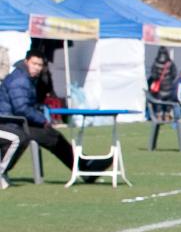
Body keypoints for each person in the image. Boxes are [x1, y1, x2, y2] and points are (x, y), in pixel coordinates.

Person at [0, 50, 108, 184]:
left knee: (53, 136)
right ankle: (85, 167)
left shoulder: (25, 77)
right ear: (26, 62)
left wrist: (40, 114)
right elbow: (22, 109)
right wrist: (42, 120)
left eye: (40, 65)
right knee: (53, 137)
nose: (37, 68)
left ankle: (84, 166)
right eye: (34, 64)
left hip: (17, 122)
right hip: (10, 124)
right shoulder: (20, 80)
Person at [148, 47, 176, 118]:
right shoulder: (170, 63)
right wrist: (170, 80)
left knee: (159, 102)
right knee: (168, 102)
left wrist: (156, 78)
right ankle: (167, 115)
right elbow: (174, 73)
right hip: (168, 86)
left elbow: (153, 74)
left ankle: (159, 115)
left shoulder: (156, 63)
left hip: (160, 87)